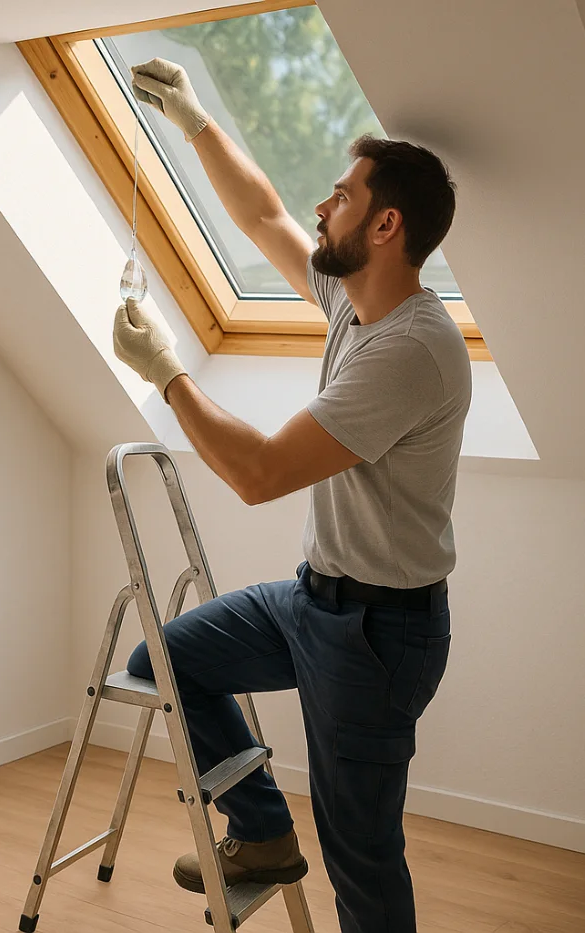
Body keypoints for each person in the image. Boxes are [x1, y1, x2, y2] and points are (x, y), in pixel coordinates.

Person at [111, 58, 470, 933]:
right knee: (165, 660)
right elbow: (264, 216)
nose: (322, 205)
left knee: (359, 849)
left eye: (341, 197)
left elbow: (260, 474)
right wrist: (194, 118)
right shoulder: (353, 299)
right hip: (314, 599)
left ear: (385, 225)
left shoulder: (411, 351)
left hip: (379, 633)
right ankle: (265, 833)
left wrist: (166, 373)